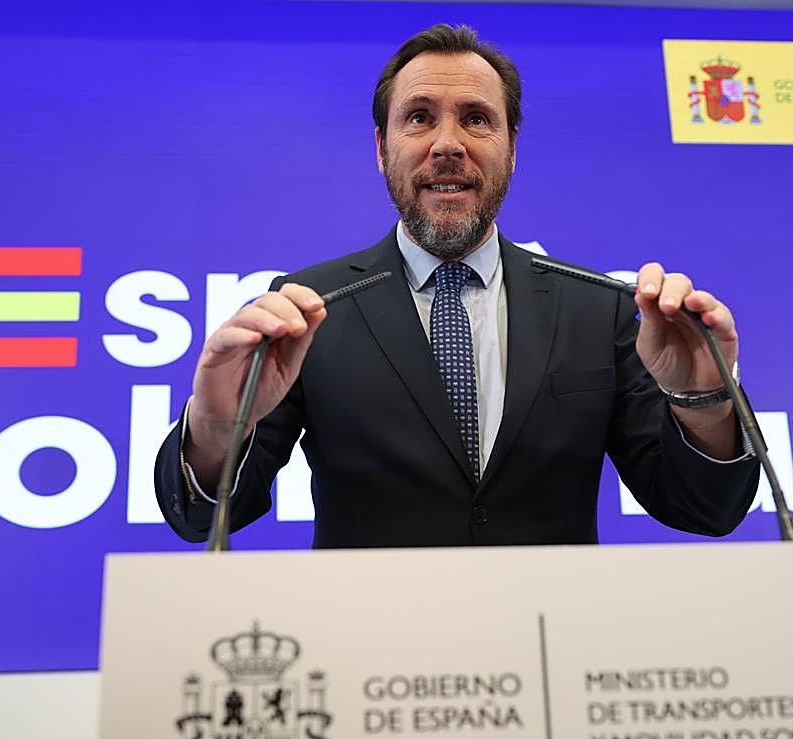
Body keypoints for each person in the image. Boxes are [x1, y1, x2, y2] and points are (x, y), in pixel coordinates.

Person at [154, 23, 759, 548]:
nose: (448, 144)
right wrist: (214, 427)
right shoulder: (307, 308)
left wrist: (703, 401)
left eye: (476, 119)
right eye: (419, 118)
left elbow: (704, 508)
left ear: (512, 149)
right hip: (370, 638)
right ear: (381, 149)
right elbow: (202, 517)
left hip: (552, 637)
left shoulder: (599, 308)